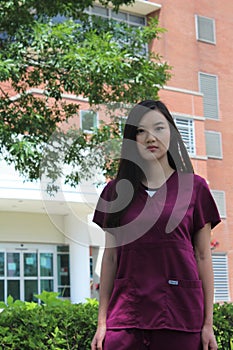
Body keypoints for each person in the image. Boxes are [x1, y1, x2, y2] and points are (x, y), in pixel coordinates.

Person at [91, 100, 221, 350]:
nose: (150, 137)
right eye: (141, 131)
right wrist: (102, 322)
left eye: (159, 128)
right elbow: (110, 259)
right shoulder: (115, 191)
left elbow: (203, 256)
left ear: (171, 133)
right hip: (126, 320)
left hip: (180, 317)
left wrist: (208, 324)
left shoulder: (195, 188)